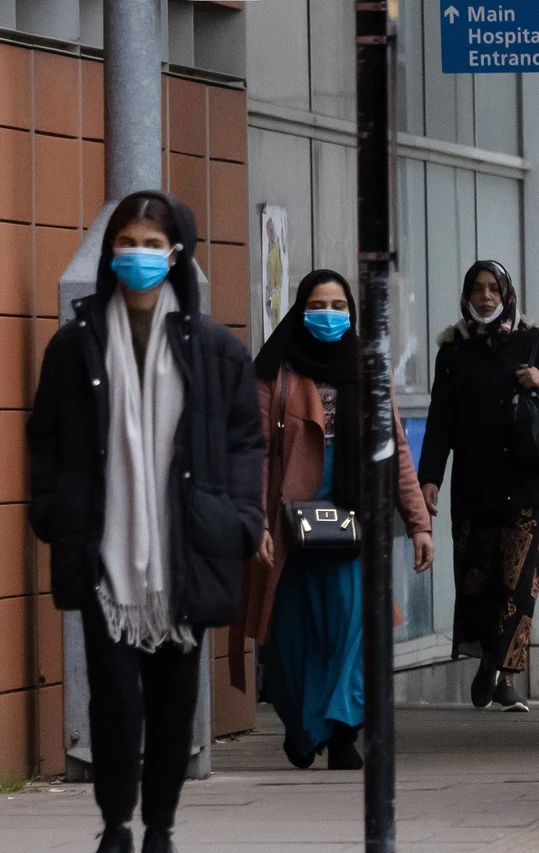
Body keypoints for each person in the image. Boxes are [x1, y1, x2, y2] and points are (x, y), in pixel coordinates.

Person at [27, 192, 265, 853]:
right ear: (110, 253)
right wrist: (52, 510)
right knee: (114, 701)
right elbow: (43, 436)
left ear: (176, 253)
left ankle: (160, 825)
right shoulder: (74, 346)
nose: (137, 254)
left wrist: (241, 513)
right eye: (126, 241)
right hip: (106, 552)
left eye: (151, 243)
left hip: (184, 552)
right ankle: (114, 823)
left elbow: (246, 438)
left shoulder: (217, 350)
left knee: (170, 707)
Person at [243, 271, 434, 770]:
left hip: (353, 521)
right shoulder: (274, 371)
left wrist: (419, 524)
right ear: (299, 310)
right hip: (289, 522)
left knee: (353, 626)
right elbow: (258, 453)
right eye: (316, 304)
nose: (327, 314)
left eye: (337, 305)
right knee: (293, 635)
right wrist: (256, 522)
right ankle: (304, 727)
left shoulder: (369, 371)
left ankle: (343, 729)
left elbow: (396, 454)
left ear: (351, 311)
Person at [418, 260, 539, 712]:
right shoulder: (453, 351)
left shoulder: (532, 341)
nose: (486, 297)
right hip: (475, 485)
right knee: (479, 582)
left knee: (519, 584)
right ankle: (499, 673)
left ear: (506, 293)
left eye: (494, 289)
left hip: (528, 483)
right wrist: (430, 478)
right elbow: (440, 421)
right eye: (477, 289)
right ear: (467, 295)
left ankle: (496, 667)